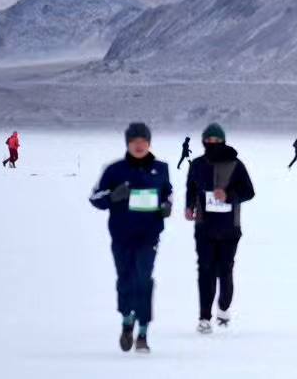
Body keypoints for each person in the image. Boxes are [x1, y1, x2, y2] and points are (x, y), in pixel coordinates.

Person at [89, 122, 173, 354]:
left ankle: (143, 334)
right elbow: (95, 198)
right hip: (122, 236)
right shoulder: (114, 170)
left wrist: (167, 206)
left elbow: (168, 194)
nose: (139, 145)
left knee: (144, 281)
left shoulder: (161, 168)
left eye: (143, 141)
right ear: (128, 143)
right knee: (126, 280)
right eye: (134, 141)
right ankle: (127, 322)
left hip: (149, 236)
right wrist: (113, 196)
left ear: (149, 143)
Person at [185, 123, 255, 334]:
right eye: (209, 140)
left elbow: (249, 192)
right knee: (205, 270)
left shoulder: (236, 164)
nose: (212, 144)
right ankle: (204, 317)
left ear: (223, 141)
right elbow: (191, 187)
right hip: (204, 227)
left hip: (229, 228)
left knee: (224, 270)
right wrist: (189, 206)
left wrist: (229, 196)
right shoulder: (197, 164)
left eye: (217, 140)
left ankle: (223, 308)